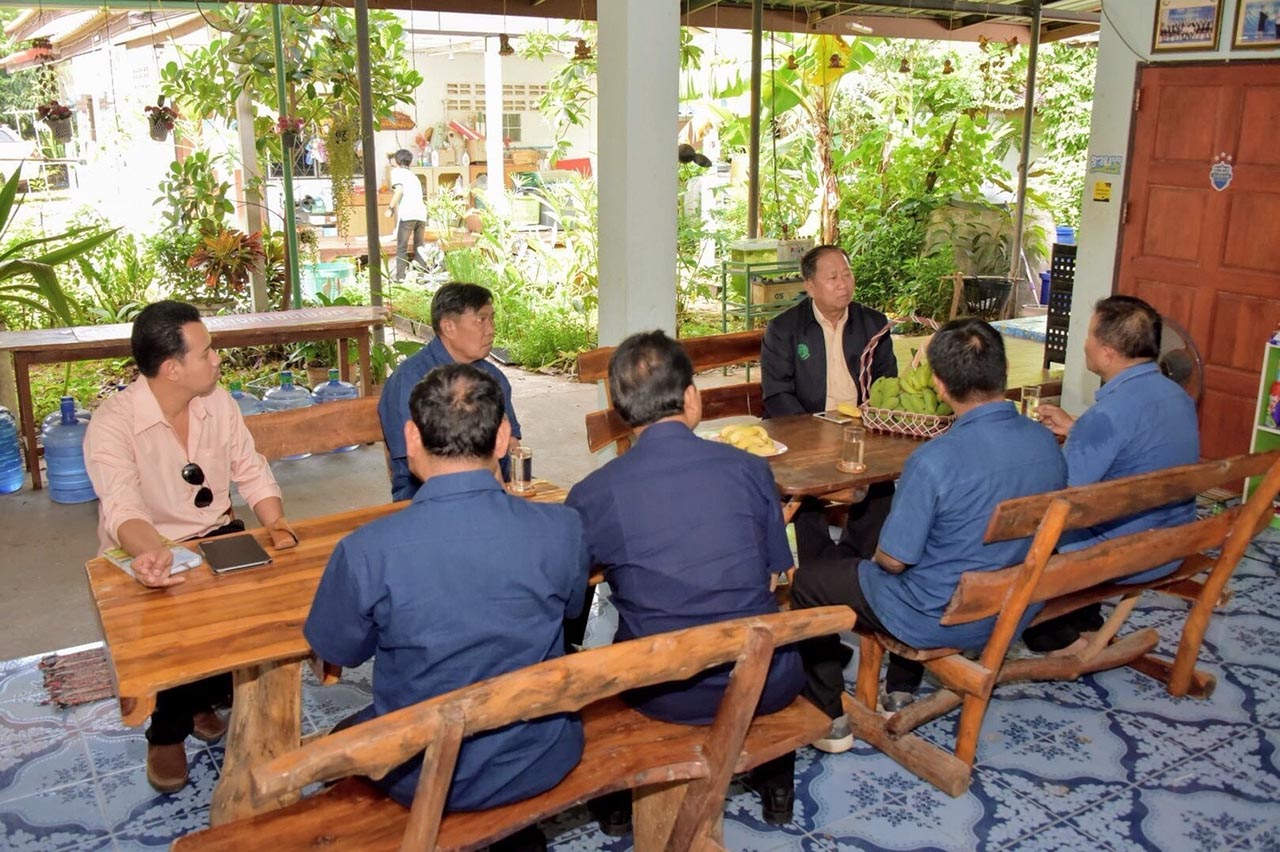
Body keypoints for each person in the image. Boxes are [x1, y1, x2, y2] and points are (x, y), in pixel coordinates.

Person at [307, 364, 587, 851]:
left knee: (352, 727)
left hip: (420, 771)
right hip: (539, 754)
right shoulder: (562, 528)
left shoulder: (367, 550)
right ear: (503, 438)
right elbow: (572, 610)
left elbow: (338, 653)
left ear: (411, 438)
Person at [790, 319, 1066, 750]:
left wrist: (875, 555)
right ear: (1004, 369)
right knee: (931, 559)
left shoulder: (934, 459)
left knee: (810, 581)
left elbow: (892, 561)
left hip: (936, 618)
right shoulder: (1045, 442)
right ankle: (900, 689)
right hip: (1014, 609)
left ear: (938, 384)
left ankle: (829, 717)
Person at [566, 330, 804, 828]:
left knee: (596, 654)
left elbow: (571, 597)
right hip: (764, 680)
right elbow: (772, 579)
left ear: (621, 410)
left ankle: (615, 807)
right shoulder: (750, 469)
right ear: (692, 398)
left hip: (663, 689)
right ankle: (778, 788)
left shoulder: (595, 492)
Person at [83, 300, 299, 793]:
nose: (217, 360)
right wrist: (151, 554)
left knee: (257, 619)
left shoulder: (217, 402)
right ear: (172, 369)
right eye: (206, 352)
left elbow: (250, 468)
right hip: (145, 546)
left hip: (217, 534)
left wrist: (276, 522)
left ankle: (203, 700)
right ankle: (167, 733)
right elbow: (122, 508)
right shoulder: (113, 424)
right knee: (179, 630)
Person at [1026, 295, 1200, 654]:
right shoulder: (1177, 396)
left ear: (1107, 353)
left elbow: (1058, 497)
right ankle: (1086, 622)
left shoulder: (1107, 415)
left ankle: (1058, 638)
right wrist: (1078, 430)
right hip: (1173, 545)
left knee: (1023, 530)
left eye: (1089, 335)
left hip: (1125, 558)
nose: (1084, 344)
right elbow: (1141, 446)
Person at [760, 244, 898, 560]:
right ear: (810, 287)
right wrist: (813, 433)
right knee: (803, 483)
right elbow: (777, 394)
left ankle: (854, 560)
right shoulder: (784, 328)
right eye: (833, 277)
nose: (843, 284)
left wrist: (870, 420)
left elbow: (887, 381)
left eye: (847, 275)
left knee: (882, 481)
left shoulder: (873, 323)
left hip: (862, 428)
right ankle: (817, 565)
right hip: (805, 428)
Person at [379, 282, 521, 501]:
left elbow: (511, 444)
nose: (491, 329)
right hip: (426, 496)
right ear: (448, 327)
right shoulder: (408, 381)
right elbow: (415, 462)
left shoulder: (493, 377)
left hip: (492, 490)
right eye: (481, 320)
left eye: (492, 319)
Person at [386, 148, 428, 281]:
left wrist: (390, 207)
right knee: (419, 246)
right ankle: (422, 276)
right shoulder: (414, 176)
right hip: (421, 214)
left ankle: (400, 277)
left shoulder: (397, 172)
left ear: (396, 161)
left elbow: (399, 191)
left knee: (402, 247)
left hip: (408, 214)